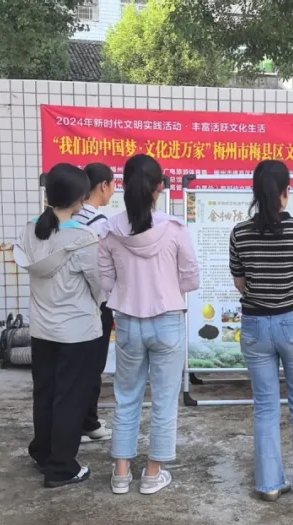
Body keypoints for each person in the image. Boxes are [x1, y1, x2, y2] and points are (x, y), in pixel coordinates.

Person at [98, 154, 199, 496]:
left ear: (124, 186)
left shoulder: (109, 230)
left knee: (126, 396)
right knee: (165, 399)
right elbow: (191, 278)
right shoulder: (175, 229)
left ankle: (121, 472)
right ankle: (153, 473)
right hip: (168, 319)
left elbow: (105, 280)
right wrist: (166, 286)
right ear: (159, 187)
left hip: (127, 321)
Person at [229, 160, 293, 501]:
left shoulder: (239, 233)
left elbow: (240, 283)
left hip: (255, 324)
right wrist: (290, 296)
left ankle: (269, 484)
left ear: (255, 192)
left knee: (265, 405)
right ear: (287, 191)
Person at [14, 163, 106, 488]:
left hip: (42, 329)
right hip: (77, 332)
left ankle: (43, 453)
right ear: (80, 198)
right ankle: (62, 468)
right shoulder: (83, 238)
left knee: (46, 392)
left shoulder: (30, 231)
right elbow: (99, 285)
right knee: (70, 398)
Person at [73, 162, 117, 444]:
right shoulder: (100, 223)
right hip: (96, 301)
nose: (113, 190)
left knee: (77, 365)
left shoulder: (69, 217)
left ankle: (81, 420)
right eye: (113, 185)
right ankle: (86, 422)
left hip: (71, 302)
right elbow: (105, 268)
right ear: (103, 186)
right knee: (92, 365)